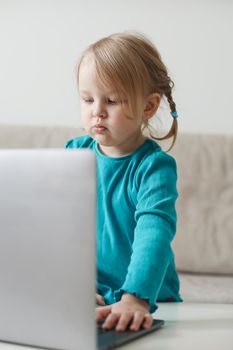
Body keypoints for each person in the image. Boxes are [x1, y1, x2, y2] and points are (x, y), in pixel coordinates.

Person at [65, 32, 182, 332]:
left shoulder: (154, 167)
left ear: (149, 106)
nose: (97, 111)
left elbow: (154, 233)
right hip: (96, 294)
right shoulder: (74, 153)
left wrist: (136, 297)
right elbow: (59, 228)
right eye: (87, 99)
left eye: (112, 100)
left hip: (147, 295)